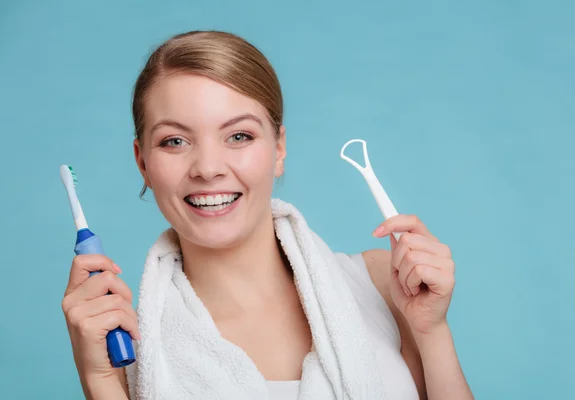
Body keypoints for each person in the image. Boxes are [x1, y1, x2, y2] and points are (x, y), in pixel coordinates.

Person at [61, 30, 474, 400]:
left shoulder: (385, 285)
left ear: (279, 148)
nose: (208, 167)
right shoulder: (127, 346)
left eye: (239, 135)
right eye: (174, 140)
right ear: (143, 163)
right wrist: (100, 380)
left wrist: (431, 332)